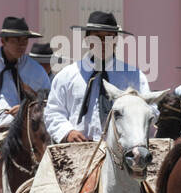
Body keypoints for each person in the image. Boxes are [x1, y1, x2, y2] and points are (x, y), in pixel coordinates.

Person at [44, 11, 148, 143]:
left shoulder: (134, 76)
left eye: (109, 37)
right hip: (77, 149)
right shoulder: (67, 75)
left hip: (122, 150)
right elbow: (53, 112)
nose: (103, 43)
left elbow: (150, 110)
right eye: (97, 37)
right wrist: (67, 132)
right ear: (87, 39)